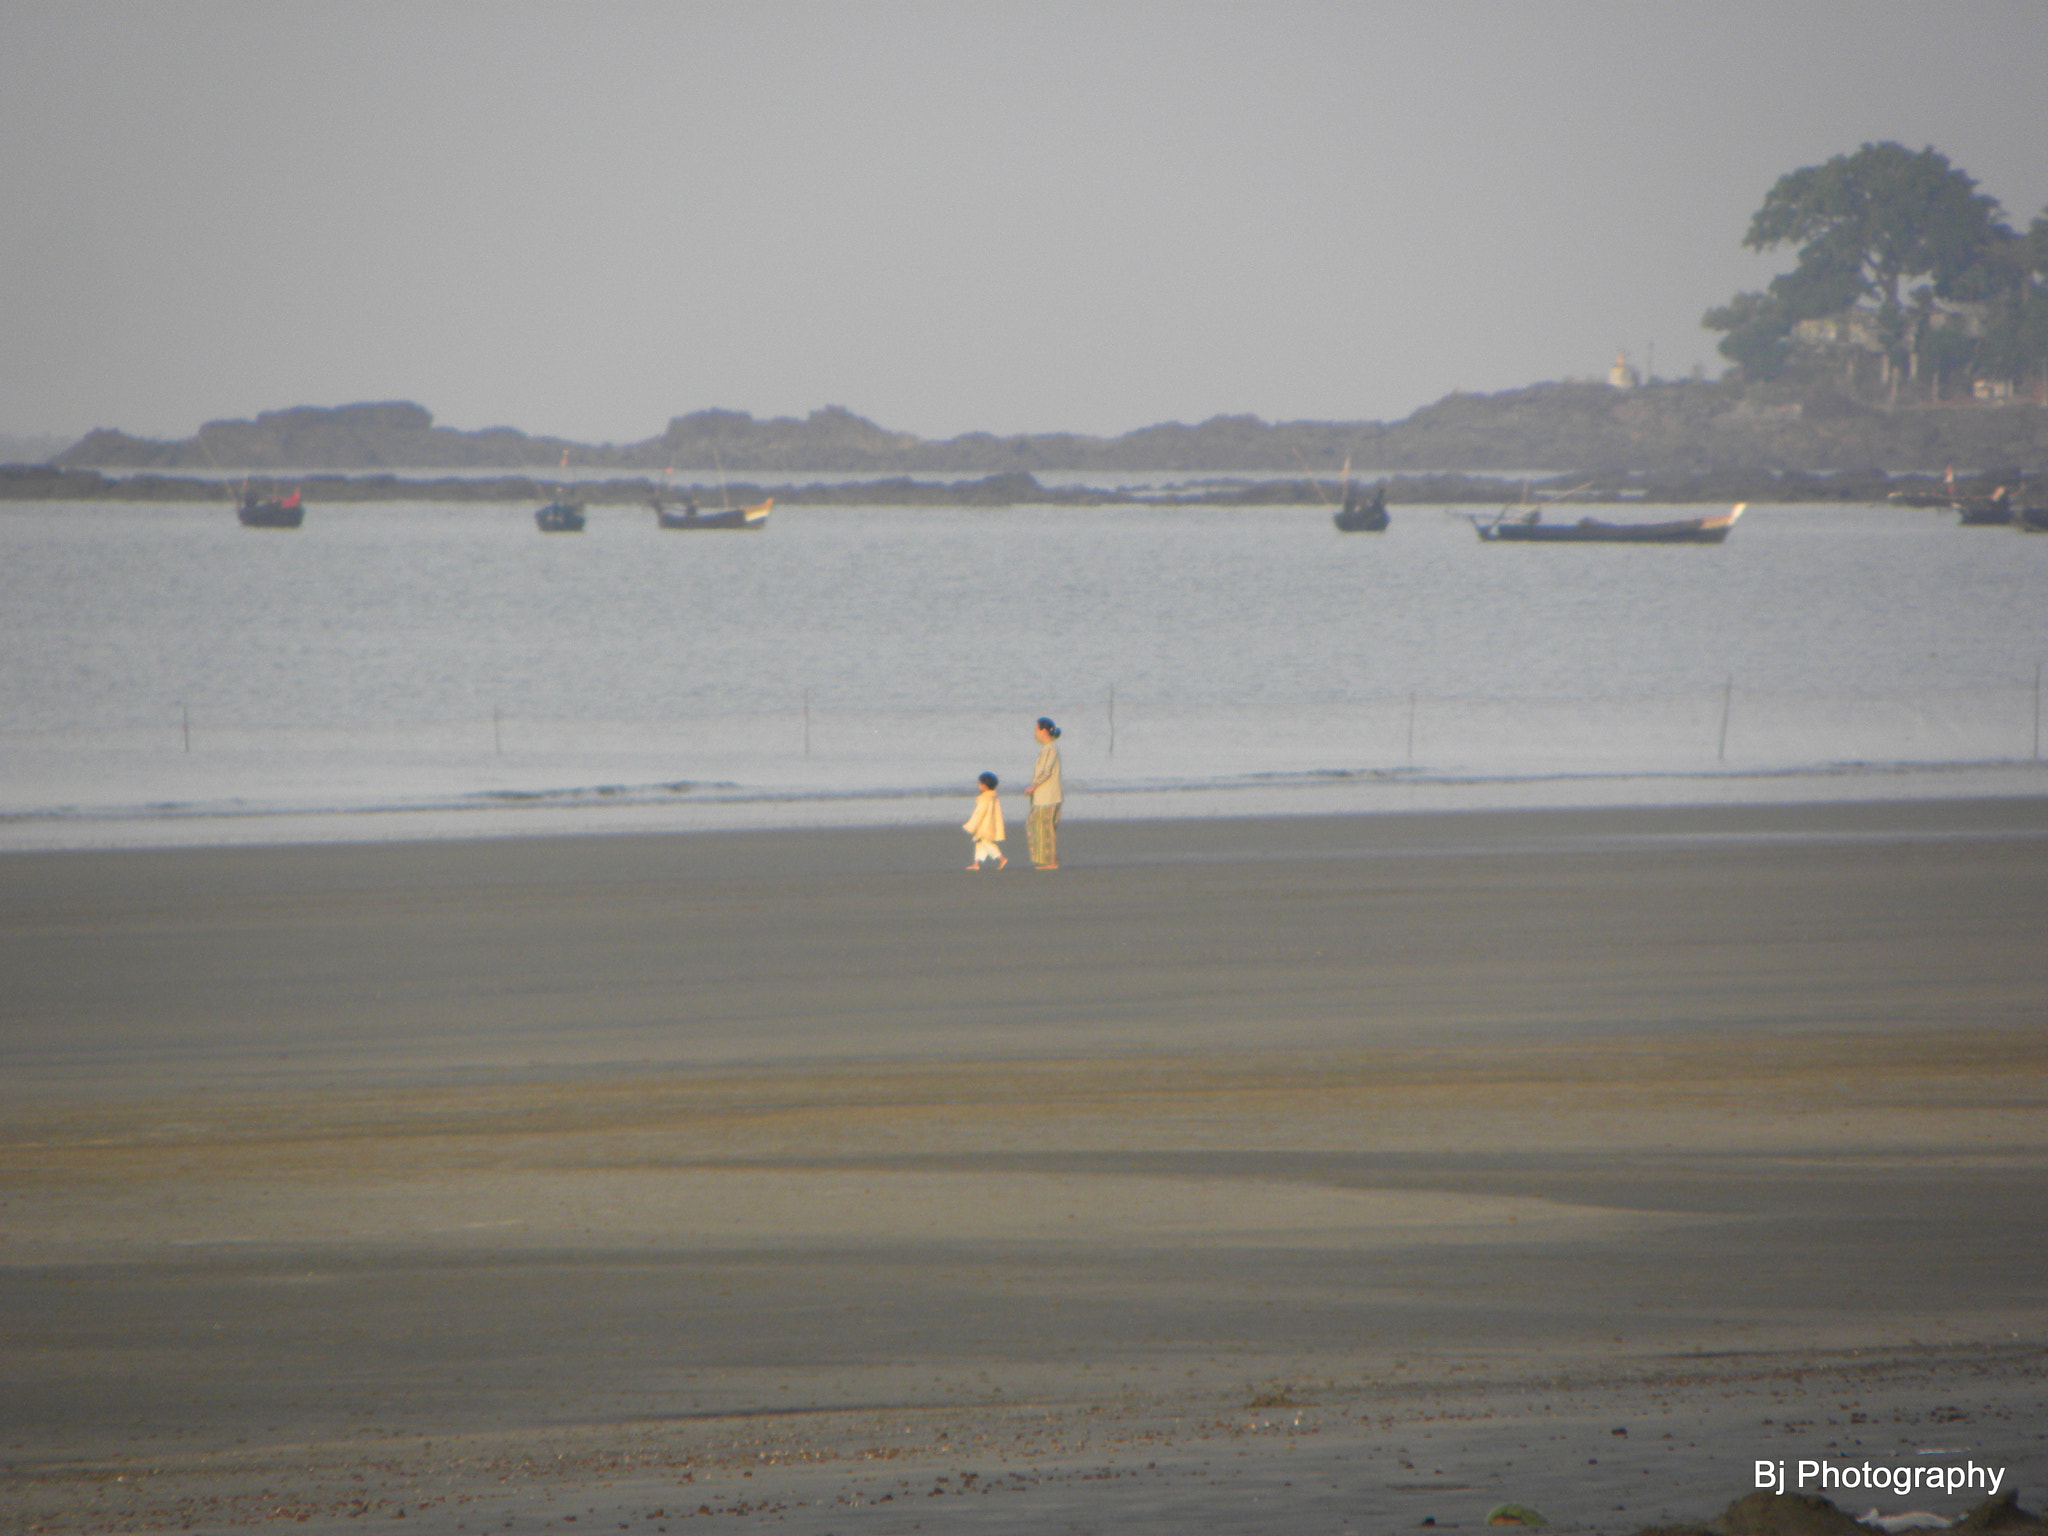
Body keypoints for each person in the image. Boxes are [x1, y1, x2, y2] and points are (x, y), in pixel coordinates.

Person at [1025, 717, 1062, 870]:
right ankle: (1047, 859)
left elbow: (1046, 771)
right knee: (1037, 826)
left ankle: (1050, 861)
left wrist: (1033, 786)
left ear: (1044, 731)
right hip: (1043, 797)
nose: (1035, 733)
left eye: (1036, 730)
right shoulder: (1047, 748)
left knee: (1045, 829)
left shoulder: (1050, 749)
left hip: (1047, 797)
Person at [962, 771, 1006, 871]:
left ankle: (1001, 858)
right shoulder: (993, 796)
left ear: (984, 785)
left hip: (984, 825)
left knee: (986, 842)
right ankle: (976, 863)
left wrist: (971, 825)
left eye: (980, 783)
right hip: (989, 823)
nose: (979, 785)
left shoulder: (985, 798)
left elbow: (979, 814)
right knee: (980, 843)